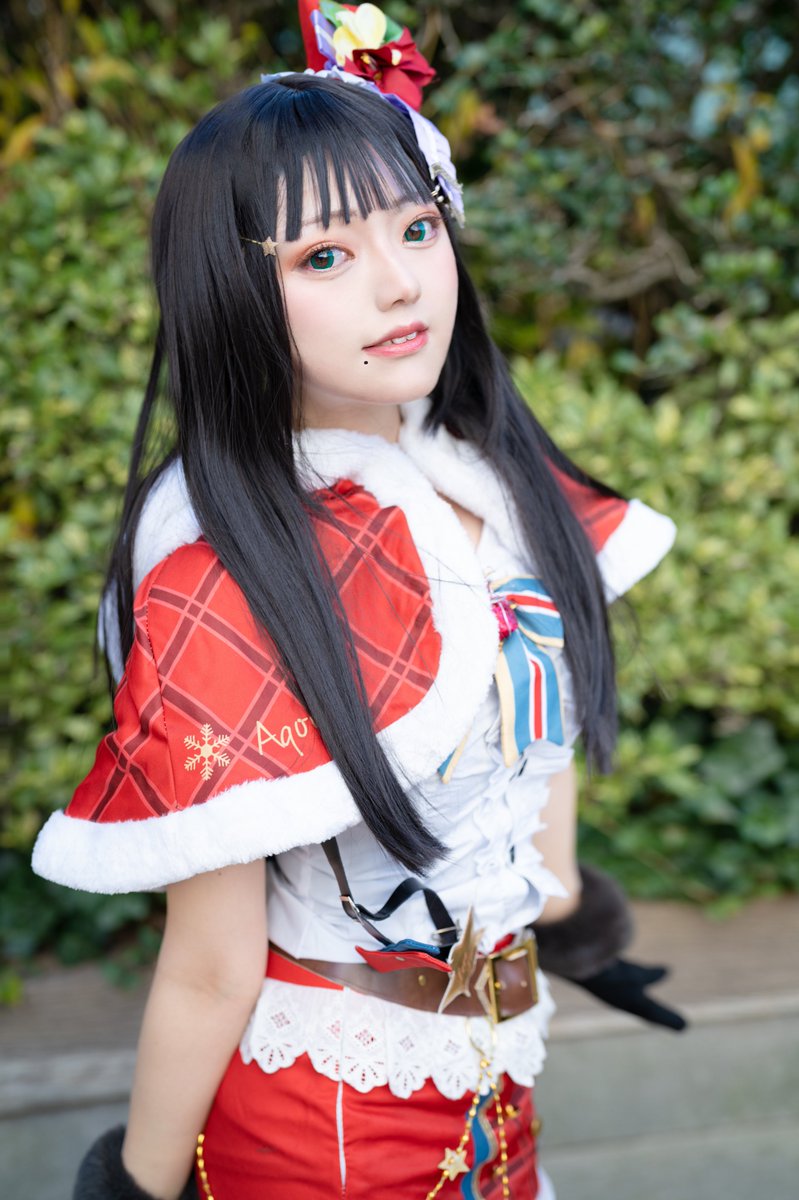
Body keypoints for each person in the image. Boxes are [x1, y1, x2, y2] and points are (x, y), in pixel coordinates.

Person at [32, 4, 684, 1197]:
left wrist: (565, 916)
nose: (399, 285)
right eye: (322, 257)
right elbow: (209, 965)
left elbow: (531, 737)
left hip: (498, 1081)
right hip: (318, 1113)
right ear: (232, 293)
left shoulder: (487, 483)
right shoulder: (224, 571)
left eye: (416, 228)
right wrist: (134, 1184)